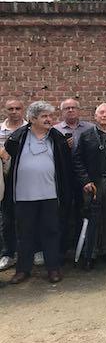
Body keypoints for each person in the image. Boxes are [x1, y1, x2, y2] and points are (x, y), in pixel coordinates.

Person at [4, 101, 72, 284]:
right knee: (25, 234)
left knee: (51, 231)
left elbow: (65, 166)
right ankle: (23, 270)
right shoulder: (18, 137)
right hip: (24, 195)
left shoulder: (56, 138)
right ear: (33, 119)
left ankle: (53, 268)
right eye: (44, 116)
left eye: (50, 116)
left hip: (50, 195)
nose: (49, 119)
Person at [73, 102, 106, 268]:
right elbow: (77, 160)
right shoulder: (86, 134)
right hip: (93, 183)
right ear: (95, 116)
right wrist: (85, 180)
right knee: (92, 219)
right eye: (100, 112)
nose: (104, 115)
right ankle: (90, 253)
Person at [54, 98, 92, 256]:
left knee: (82, 212)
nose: (70, 110)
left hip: (84, 176)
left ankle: (81, 246)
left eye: (73, 107)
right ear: (62, 112)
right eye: (67, 108)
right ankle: (62, 248)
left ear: (79, 110)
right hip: (63, 177)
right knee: (63, 213)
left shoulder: (90, 128)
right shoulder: (55, 130)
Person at [0, 99, 27, 272]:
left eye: (18, 108)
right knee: (6, 217)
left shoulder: (31, 129)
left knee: (30, 215)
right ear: (5, 110)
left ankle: (31, 251)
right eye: (11, 109)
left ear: (23, 110)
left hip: (27, 178)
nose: (14, 111)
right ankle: (8, 253)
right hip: (4, 179)